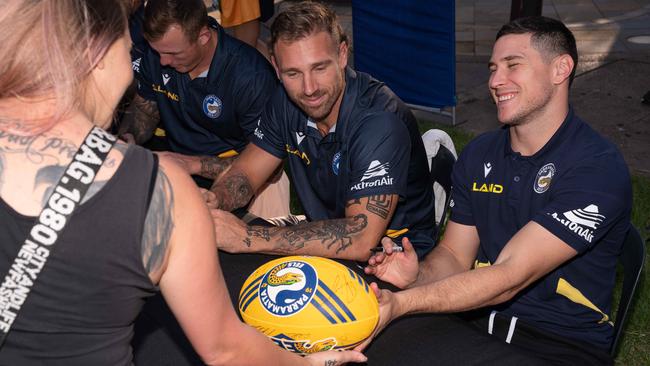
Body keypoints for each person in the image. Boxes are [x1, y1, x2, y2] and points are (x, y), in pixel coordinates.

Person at [0, 1, 366, 365]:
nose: (143, 62)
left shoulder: (247, 75)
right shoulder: (158, 191)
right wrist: (307, 363)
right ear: (96, 57)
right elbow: (225, 348)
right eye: (128, 49)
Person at [362, 16, 632, 365]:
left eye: (513, 66)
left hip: (559, 345)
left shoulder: (597, 167)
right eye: (493, 68)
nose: (494, 81)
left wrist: (404, 303)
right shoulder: (480, 153)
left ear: (560, 69)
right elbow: (456, 256)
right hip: (475, 327)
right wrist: (418, 276)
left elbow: (509, 276)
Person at [206, 1, 437, 261]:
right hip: (325, 241)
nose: (309, 88)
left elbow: (360, 239)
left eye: (319, 68)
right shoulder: (284, 101)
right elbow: (246, 173)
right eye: (293, 73)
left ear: (342, 55)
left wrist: (247, 238)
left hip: (393, 259)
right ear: (276, 68)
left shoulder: (379, 120)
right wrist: (214, 201)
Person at [119, 0, 289, 219]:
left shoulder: (251, 77)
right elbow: (144, 110)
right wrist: (125, 140)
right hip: (181, 167)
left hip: (250, 179)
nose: (163, 61)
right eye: (157, 51)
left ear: (203, 37)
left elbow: (270, 168)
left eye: (174, 53)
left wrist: (194, 165)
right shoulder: (158, 55)